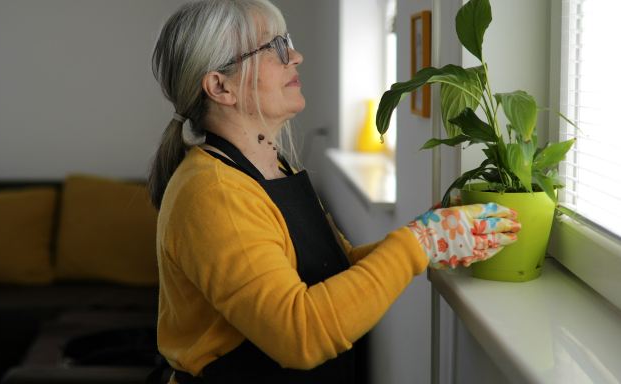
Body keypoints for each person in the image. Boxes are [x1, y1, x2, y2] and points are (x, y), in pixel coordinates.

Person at [147, 1, 521, 383]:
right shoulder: (214, 193)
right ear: (220, 86)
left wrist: (433, 237)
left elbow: (333, 274)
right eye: (274, 47)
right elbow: (300, 334)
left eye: (287, 42)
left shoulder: (274, 168)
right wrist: (419, 242)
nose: (295, 55)